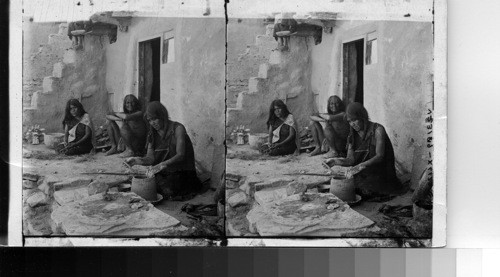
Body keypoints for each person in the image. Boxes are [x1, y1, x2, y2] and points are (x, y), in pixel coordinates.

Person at [125, 101, 201, 200]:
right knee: (140, 179)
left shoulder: (178, 128)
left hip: (183, 172)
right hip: (167, 171)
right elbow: (150, 158)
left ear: (162, 116)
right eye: (149, 120)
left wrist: (161, 165)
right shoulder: (152, 133)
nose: (152, 123)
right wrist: (137, 160)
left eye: (155, 119)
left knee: (166, 188)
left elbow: (180, 155)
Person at [324, 102, 402, 197]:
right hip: (366, 172)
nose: (352, 124)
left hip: (381, 172)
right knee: (342, 184)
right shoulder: (352, 135)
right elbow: (350, 159)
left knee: (362, 189)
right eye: (349, 121)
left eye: (355, 120)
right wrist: (335, 161)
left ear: (362, 117)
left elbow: (379, 156)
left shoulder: (378, 130)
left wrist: (359, 166)